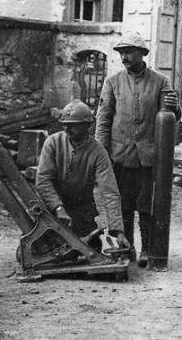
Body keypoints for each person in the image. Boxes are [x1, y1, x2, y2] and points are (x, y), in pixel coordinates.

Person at [96, 31, 181, 267]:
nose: (124, 57)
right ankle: (126, 249)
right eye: (121, 53)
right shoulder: (112, 82)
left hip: (148, 157)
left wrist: (176, 108)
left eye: (128, 52)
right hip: (120, 156)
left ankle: (147, 250)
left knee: (146, 205)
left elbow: (172, 117)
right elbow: (103, 120)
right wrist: (101, 156)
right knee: (122, 205)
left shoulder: (160, 81)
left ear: (141, 54)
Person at [35, 100, 131, 252]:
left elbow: (110, 192)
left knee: (89, 249)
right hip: (52, 209)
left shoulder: (98, 153)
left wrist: (118, 231)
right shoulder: (53, 143)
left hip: (81, 212)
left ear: (88, 125)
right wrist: (58, 208)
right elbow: (43, 181)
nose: (67, 128)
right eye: (65, 124)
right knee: (41, 251)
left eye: (73, 125)